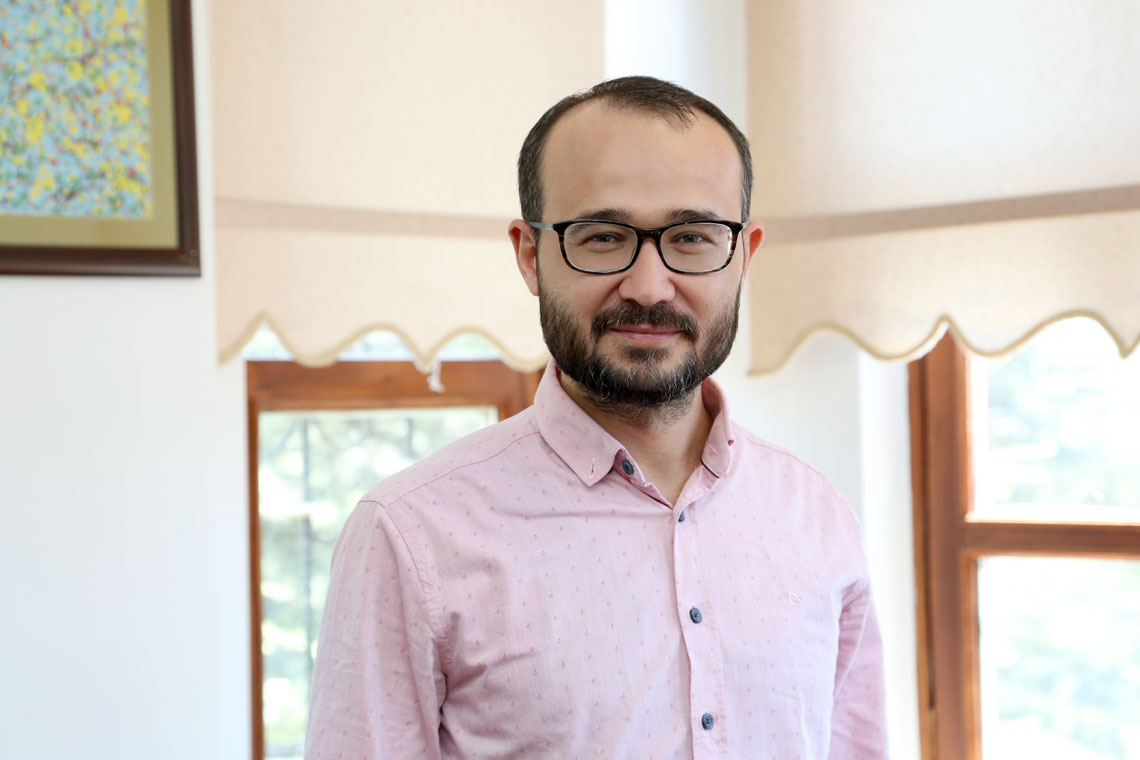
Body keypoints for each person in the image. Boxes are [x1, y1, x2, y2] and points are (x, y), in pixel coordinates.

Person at [306, 76, 887, 759]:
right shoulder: (410, 536)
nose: (648, 287)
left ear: (743, 257)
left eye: (693, 237)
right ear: (531, 256)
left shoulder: (818, 516)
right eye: (604, 237)